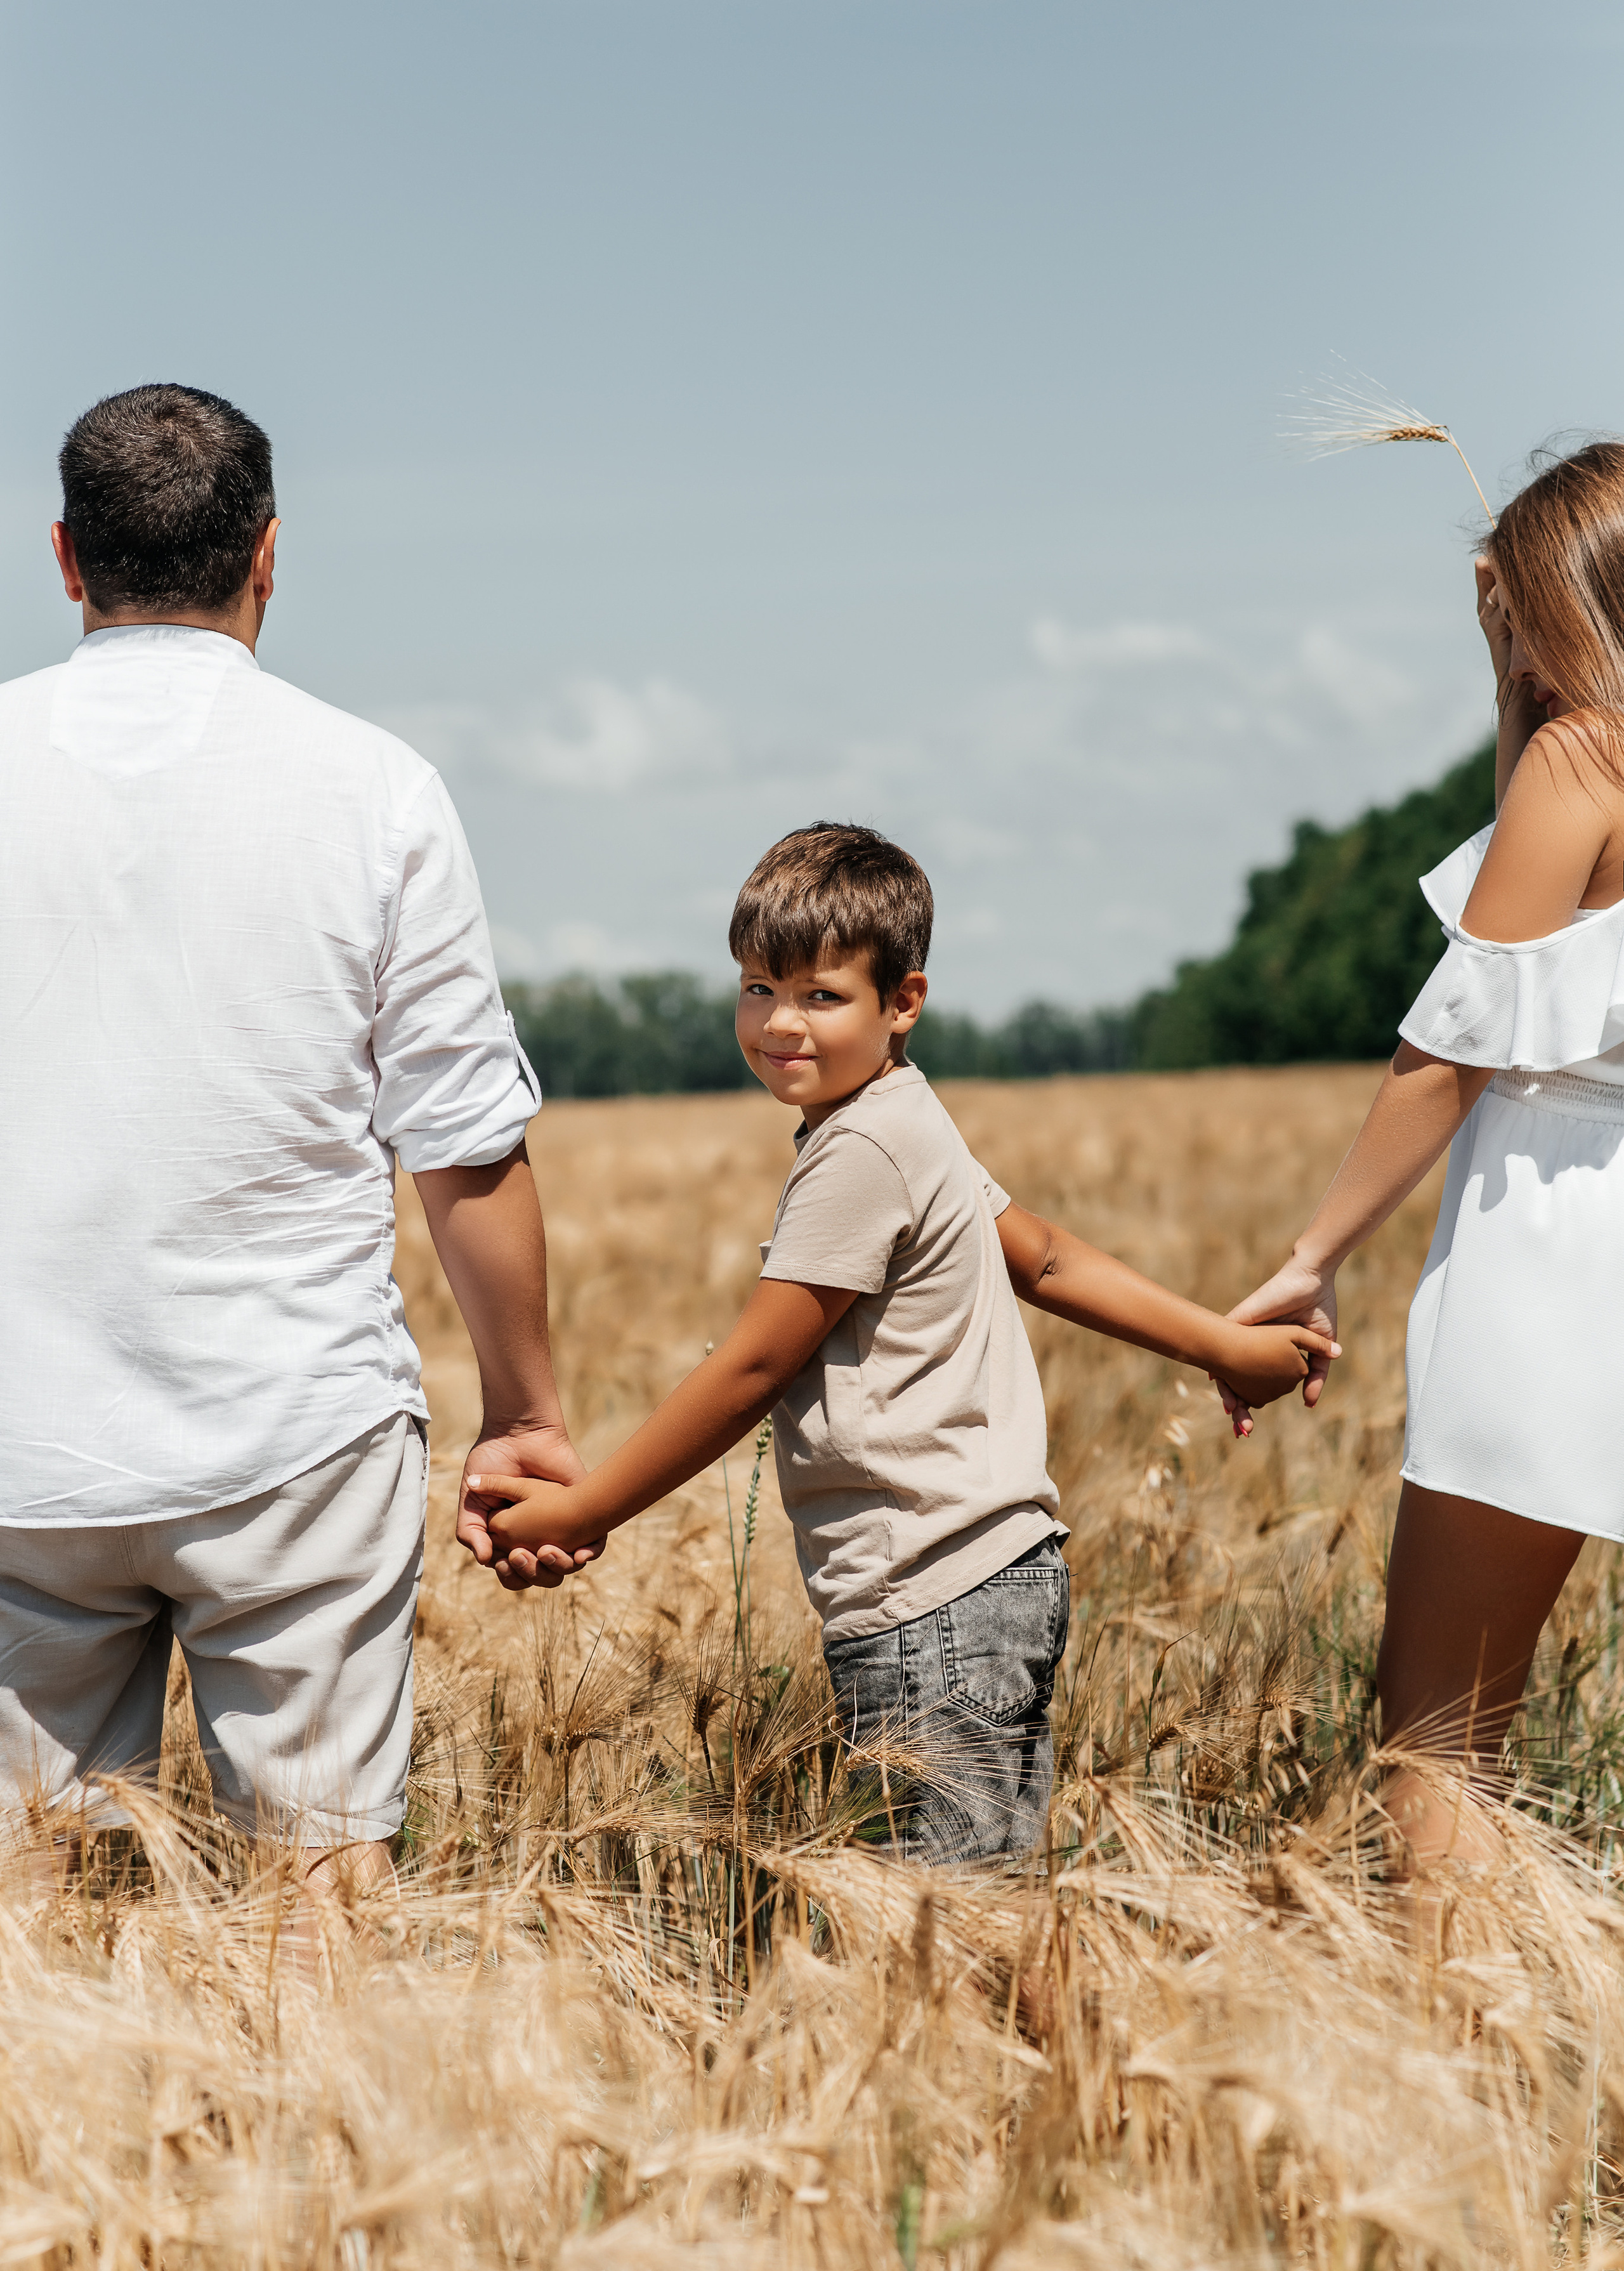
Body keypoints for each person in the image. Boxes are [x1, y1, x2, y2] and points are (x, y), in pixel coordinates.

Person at [471, 823, 1336, 1862]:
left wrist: (585, 1507)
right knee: (982, 1918)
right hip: (997, 1573)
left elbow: (755, 1364)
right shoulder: (906, 1116)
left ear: (904, 1002)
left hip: (926, 1598)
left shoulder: (863, 1150)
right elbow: (1044, 1256)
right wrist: (1218, 1345)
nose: (781, 1022)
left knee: (935, 1931)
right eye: (756, 988)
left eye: (821, 995)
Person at [0, 384, 592, 1899]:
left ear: (66, 560)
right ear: (269, 556)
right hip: (295, 1443)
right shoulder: (375, 788)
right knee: (315, 1922)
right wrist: (523, 1415)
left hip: (19, 1450)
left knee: (33, 1929)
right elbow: (463, 1149)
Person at [1227, 438, 1624, 1865]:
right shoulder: (1581, 751)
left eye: (1515, 604)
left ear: (1559, 600)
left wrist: (1309, 1256)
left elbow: (1453, 1040)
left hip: (1552, 1240)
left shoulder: (1586, 757)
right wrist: (1511, 677)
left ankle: (1440, 2052)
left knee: (1441, 1729)